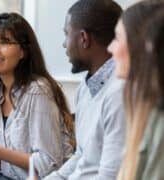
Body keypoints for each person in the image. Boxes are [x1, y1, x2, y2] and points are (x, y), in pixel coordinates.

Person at [0, 12, 75, 180]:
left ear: (23, 52)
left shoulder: (38, 91)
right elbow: (6, 165)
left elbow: (48, 163)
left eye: (4, 42)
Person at [44, 0, 125, 179]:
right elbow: (82, 156)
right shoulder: (85, 88)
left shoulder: (120, 93)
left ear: (83, 38)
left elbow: (111, 176)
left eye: (66, 34)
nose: (64, 44)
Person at [107, 1, 164, 179]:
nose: (111, 48)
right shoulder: (143, 108)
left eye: (117, 38)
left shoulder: (159, 120)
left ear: (144, 45)